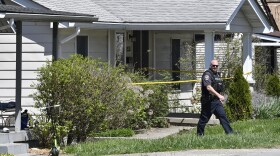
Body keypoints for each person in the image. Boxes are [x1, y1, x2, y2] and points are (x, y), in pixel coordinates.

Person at [197, 59, 234, 136]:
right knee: (204, 119)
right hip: (208, 101)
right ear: (210, 66)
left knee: (223, 116)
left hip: (216, 101)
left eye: (216, 66)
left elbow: (219, 87)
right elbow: (208, 87)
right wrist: (219, 95)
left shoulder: (217, 75)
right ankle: (199, 135)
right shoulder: (207, 74)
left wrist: (220, 97)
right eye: (213, 65)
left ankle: (230, 133)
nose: (215, 67)